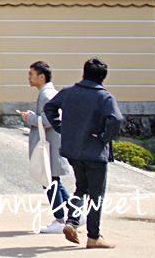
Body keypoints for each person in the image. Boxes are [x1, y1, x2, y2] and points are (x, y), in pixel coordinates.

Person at [44, 56, 126, 249]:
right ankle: (94, 236)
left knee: (81, 188)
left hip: (73, 150)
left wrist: (62, 128)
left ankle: (72, 223)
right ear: (103, 77)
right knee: (96, 195)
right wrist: (104, 137)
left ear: (84, 72)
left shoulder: (70, 92)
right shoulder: (105, 97)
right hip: (95, 152)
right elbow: (116, 120)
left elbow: (50, 107)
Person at [18, 59, 71, 234]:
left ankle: (60, 219)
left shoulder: (46, 94)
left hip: (48, 144)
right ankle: (75, 213)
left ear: (42, 76)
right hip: (52, 143)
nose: (29, 78)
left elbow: (48, 120)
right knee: (53, 181)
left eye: (31, 74)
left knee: (49, 182)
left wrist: (29, 118)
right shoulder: (49, 92)